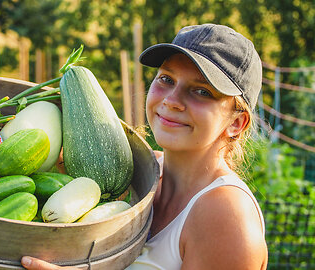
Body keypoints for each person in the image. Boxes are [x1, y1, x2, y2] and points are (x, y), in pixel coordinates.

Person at [21, 23, 268, 270]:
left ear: (236, 123)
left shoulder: (227, 216)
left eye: (202, 91)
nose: (171, 101)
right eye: (166, 79)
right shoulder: (138, 170)